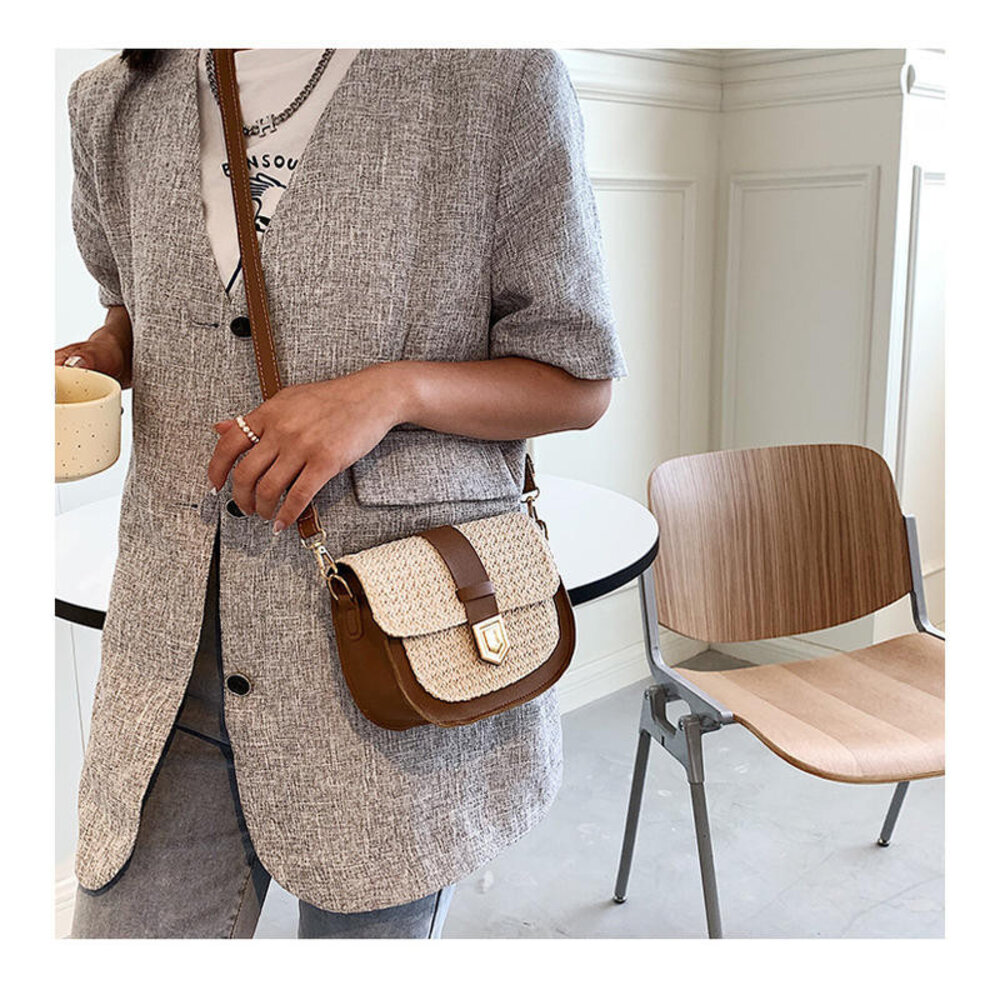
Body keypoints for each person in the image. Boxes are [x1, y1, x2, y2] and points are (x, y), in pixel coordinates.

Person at [56, 46, 628, 939]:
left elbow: (577, 381)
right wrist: (104, 354)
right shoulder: (112, 100)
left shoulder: (492, 75)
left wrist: (388, 393)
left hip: (393, 652)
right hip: (171, 658)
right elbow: (130, 303)